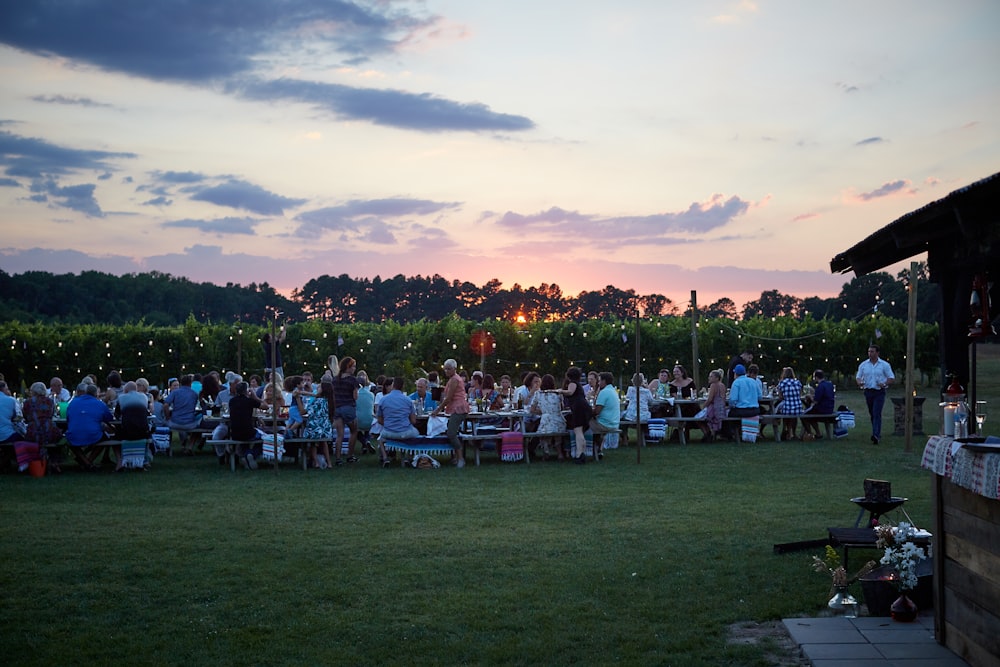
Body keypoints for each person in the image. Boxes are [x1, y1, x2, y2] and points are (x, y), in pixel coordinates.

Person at [430, 358, 470, 468]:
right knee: (452, 432)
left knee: (451, 433)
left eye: (449, 369)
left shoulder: (454, 380)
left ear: (454, 369)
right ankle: (456, 457)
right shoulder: (453, 379)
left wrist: (438, 410)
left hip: (459, 408)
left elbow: (449, 397)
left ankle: (460, 458)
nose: (446, 371)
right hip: (455, 408)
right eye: (445, 369)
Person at [65, 382, 114, 471]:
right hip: (93, 434)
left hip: (74, 434)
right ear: (96, 394)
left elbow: (68, 418)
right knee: (105, 438)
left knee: (70, 440)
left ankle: (85, 462)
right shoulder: (100, 404)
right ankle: (88, 463)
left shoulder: (73, 402)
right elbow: (109, 418)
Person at [856, 344, 895, 444]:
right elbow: (858, 376)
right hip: (868, 391)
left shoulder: (884, 365)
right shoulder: (863, 365)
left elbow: (891, 377)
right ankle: (876, 432)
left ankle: (876, 435)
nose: (870, 353)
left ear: (877, 353)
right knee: (872, 413)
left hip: (879, 391)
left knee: (876, 412)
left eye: (872, 351)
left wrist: (885, 383)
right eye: (869, 351)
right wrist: (860, 382)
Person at [377, 377, 420, 467]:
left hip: (388, 431)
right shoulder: (408, 400)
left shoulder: (383, 399)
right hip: (404, 432)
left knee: (381, 440)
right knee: (416, 433)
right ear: (403, 386)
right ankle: (408, 457)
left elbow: (379, 420)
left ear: (393, 385)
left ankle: (385, 458)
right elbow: (413, 421)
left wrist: (389, 424)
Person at [554, 366, 592, 464]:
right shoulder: (579, 384)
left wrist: (560, 391)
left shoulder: (573, 383)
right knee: (581, 431)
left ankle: (579, 455)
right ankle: (582, 453)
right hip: (583, 407)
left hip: (578, 408)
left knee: (578, 431)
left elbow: (570, 392)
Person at [163, 374, 203, 455]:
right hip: (190, 424)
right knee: (200, 422)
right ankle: (190, 446)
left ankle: (168, 447)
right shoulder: (194, 394)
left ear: (181, 383)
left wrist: (167, 417)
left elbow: (166, 405)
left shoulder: (175, 393)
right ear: (190, 383)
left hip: (175, 423)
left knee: (165, 423)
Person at [331, 356, 360, 465]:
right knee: (354, 431)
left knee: (340, 435)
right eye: (353, 367)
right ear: (348, 367)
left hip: (337, 408)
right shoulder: (353, 380)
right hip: (348, 407)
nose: (354, 369)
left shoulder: (335, 379)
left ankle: (338, 459)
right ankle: (350, 455)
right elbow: (355, 396)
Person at [116, 381, 151, 470]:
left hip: (126, 432)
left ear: (126, 390)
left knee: (114, 436)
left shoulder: (121, 398)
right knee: (149, 431)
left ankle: (121, 462)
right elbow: (147, 412)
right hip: (143, 432)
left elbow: (116, 415)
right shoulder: (144, 397)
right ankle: (145, 461)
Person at [530, 374, 567, 460]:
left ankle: (546, 452)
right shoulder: (558, 394)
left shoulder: (538, 394)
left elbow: (532, 409)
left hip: (546, 421)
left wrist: (542, 411)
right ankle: (560, 454)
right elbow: (561, 407)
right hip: (559, 420)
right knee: (558, 436)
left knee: (544, 434)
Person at [300, 379, 335, 469]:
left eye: (318, 388)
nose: (316, 389)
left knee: (313, 442)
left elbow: (304, 412)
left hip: (315, 428)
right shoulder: (330, 401)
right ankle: (329, 462)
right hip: (325, 429)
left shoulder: (317, 402)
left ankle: (316, 462)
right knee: (323, 442)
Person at [229, 381, 263, 470]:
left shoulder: (232, 401)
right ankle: (251, 454)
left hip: (234, 433)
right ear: (246, 391)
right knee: (264, 437)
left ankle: (245, 456)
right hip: (248, 432)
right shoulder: (250, 401)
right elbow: (266, 406)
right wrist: (255, 397)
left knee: (244, 438)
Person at [590, 372, 620, 458]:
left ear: (604, 381)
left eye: (599, 381)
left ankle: (583, 450)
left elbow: (596, 411)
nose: (598, 383)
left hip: (605, 424)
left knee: (582, 423)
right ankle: (599, 450)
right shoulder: (613, 391)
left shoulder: (604, 392)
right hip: (614, 423)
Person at [774, 367, 804, 440]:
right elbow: (800, 395)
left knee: (781, 410)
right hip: (798, 408)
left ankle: (785, 430)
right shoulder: (798, 382)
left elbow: (780, 397)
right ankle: (793, 433)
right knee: (793, 414)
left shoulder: (782, 383)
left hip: (787, 408)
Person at [700, 369, 727, 442]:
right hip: (722, 410)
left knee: (699, 416)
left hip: (714, 410)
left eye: (711, 376)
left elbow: (710, 399)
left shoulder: (713, 385)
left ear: (716, 378)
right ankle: (712, 434)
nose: (709, 378)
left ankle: (708, 434)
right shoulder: (722, 385)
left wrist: (703, 407)